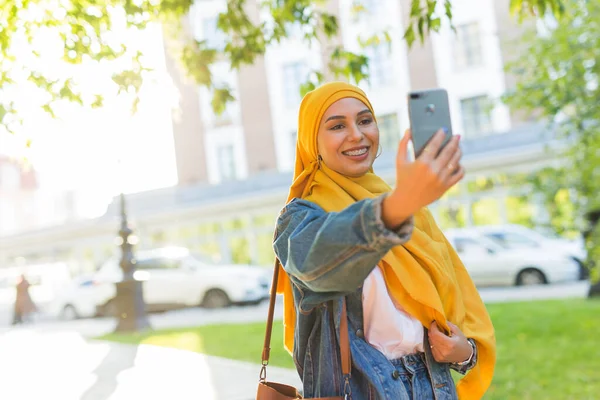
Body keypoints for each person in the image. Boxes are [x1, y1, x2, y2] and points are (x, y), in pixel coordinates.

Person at [273, 82, 496, 400]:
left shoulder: (408, 209)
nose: (356, 134)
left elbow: (451, 307)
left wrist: (463, 351)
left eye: (365, 120)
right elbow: (317, 265)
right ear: (312, 142)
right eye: (337, 126)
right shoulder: (301, 217)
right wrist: (397, 207)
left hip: (433, 388)